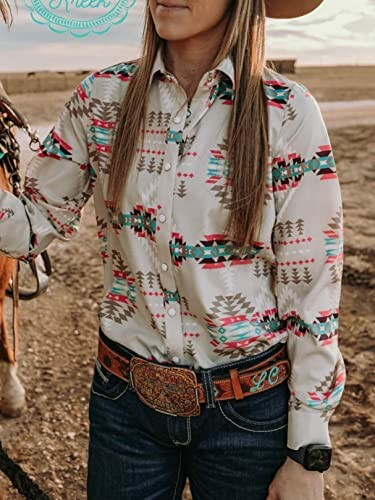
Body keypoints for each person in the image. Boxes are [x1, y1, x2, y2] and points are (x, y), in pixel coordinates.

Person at [0, 0, 347, 498]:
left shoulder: (286, 111)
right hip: (125, 408)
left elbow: (312, 291)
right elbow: (33, 224)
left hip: (248, 417)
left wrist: (307, 452)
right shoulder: (101, 98)